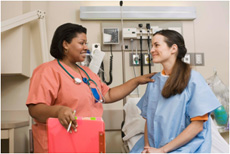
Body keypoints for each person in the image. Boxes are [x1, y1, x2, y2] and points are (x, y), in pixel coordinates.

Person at [26, 23, 155, 153]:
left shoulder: (87, 72)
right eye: (81, 43)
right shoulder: (47, 71)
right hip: (58, 143)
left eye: (86, 43)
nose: (86, 48)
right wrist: (59, 111)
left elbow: (107, 95)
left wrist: (137, 81)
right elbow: (35, 109)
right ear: (65, 44)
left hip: (86, 141)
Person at [130, 29, 221, 153]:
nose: (151, 50)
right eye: (151, 46)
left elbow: (197, 126)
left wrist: (162, 151)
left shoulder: (193, 79)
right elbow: (149, 121)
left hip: (186, 147)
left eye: (156, 45)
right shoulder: (154, 82)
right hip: (154, 147)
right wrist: (147, 147)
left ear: (173, 48)